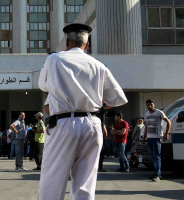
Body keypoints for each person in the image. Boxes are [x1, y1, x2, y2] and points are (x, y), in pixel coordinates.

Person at [37, 23, 128, 199]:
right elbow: (117, 98)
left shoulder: (54, 59)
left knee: (52, 179)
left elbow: (42, 86)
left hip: (63, 123)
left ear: (67, 42)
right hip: (92, 123)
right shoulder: (98, 65)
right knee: (85, 183)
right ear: (87, 45)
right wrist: (96, 105)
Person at [142, 99, 171, 182]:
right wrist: (144, 137)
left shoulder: (159, 113)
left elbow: (168, 121)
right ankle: (156, 173)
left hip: (157, 138)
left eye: (151, 105)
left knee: (157, 156)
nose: (149, 106)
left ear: (154, 104)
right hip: (149, 138)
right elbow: (146, 126)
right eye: (148, 105)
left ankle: (158, 174)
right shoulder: (146, 114)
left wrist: (166, 133)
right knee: (153, 156)